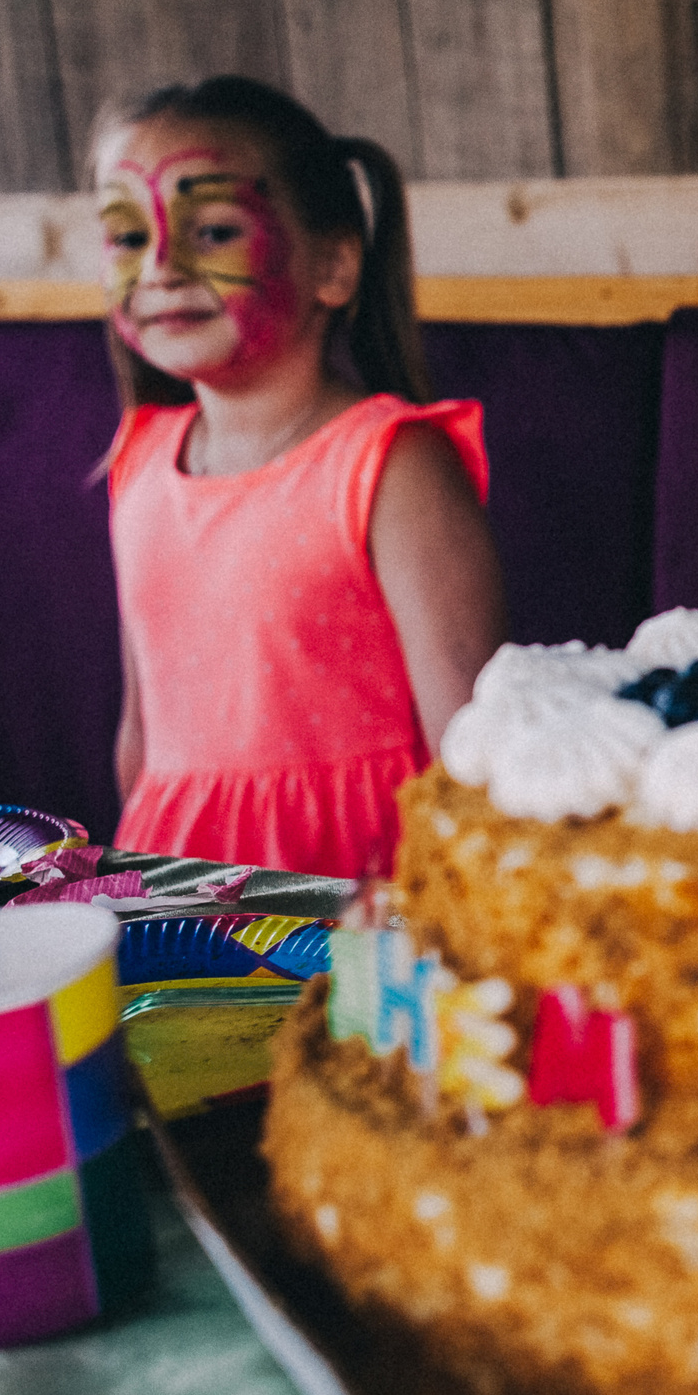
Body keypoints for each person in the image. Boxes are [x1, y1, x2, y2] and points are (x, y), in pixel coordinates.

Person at [103, 76, 504, 880]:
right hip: (173, 894)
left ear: (333, 266)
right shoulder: (137, 460)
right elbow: (140, 737)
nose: (161, 265)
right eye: (127, 235)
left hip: (352, 898)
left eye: (213, 230)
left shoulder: (391, 462)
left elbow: (474, 751)